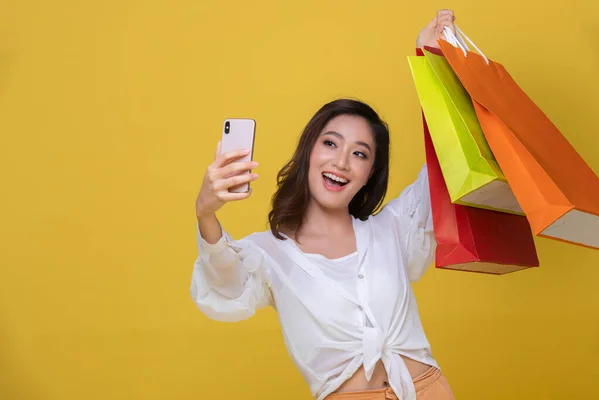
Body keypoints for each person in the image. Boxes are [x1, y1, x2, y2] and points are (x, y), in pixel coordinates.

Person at [192, 9, 457, 400]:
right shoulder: (268, 254)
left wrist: (432, 63)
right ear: (309, 151)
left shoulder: (395, 228)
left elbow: (447, 161)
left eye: (360, 153)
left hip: (429, 390)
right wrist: (205, 212)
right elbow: (225, 282)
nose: (341, 162)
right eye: (330, 143)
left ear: (370, 173)